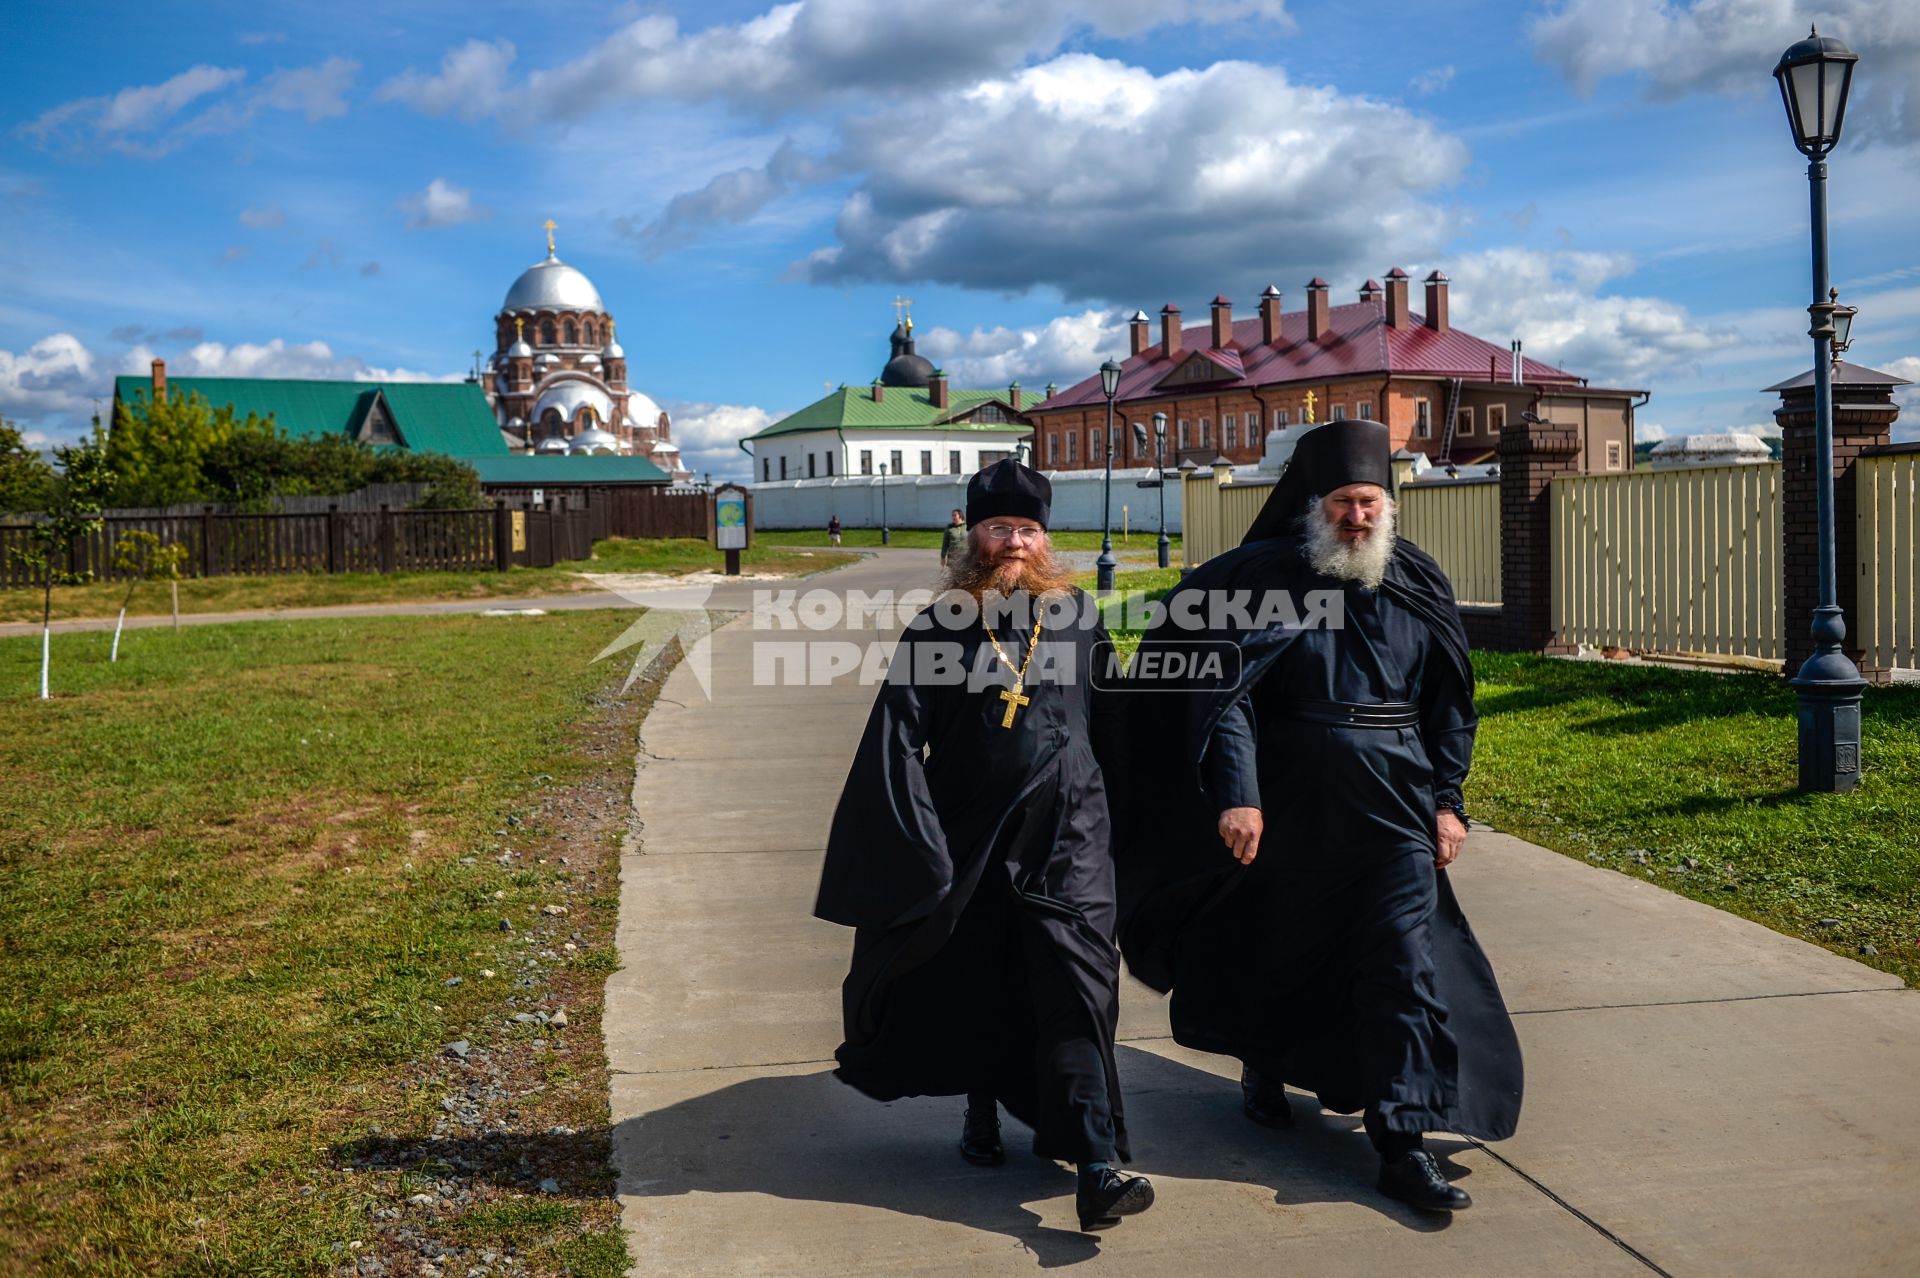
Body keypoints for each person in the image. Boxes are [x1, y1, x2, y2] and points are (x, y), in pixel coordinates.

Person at [1116, 419, 1522, 1214]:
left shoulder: (1418, 581)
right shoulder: (1263, 578)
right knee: (1286, 948)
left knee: (1404, 966)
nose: (1357, 518)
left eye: (1370, 502)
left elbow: (1451, 704)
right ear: (1316, 504)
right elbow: (1226, 695)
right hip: (1292, 807)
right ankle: (1264, 1061)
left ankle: (1400, 1142)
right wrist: (1238, 792)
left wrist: (1449, 801)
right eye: (1343, 502)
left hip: (1397, 807)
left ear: (1388, 505)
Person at [815, 459, 1154, 1232]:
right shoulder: (939, 626)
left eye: (1028, 530)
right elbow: (896, 738)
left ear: (1045, 539)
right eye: (1000, 528)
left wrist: (1138, 817)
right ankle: (981, 1111)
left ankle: (1097, 1162)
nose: (1015, 543)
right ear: (973, 534)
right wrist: (916, 840)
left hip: (1073, 833)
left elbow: (1118, 721)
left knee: (1079, 981)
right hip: (975, 831)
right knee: (977, 971)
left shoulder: (1076, 614)